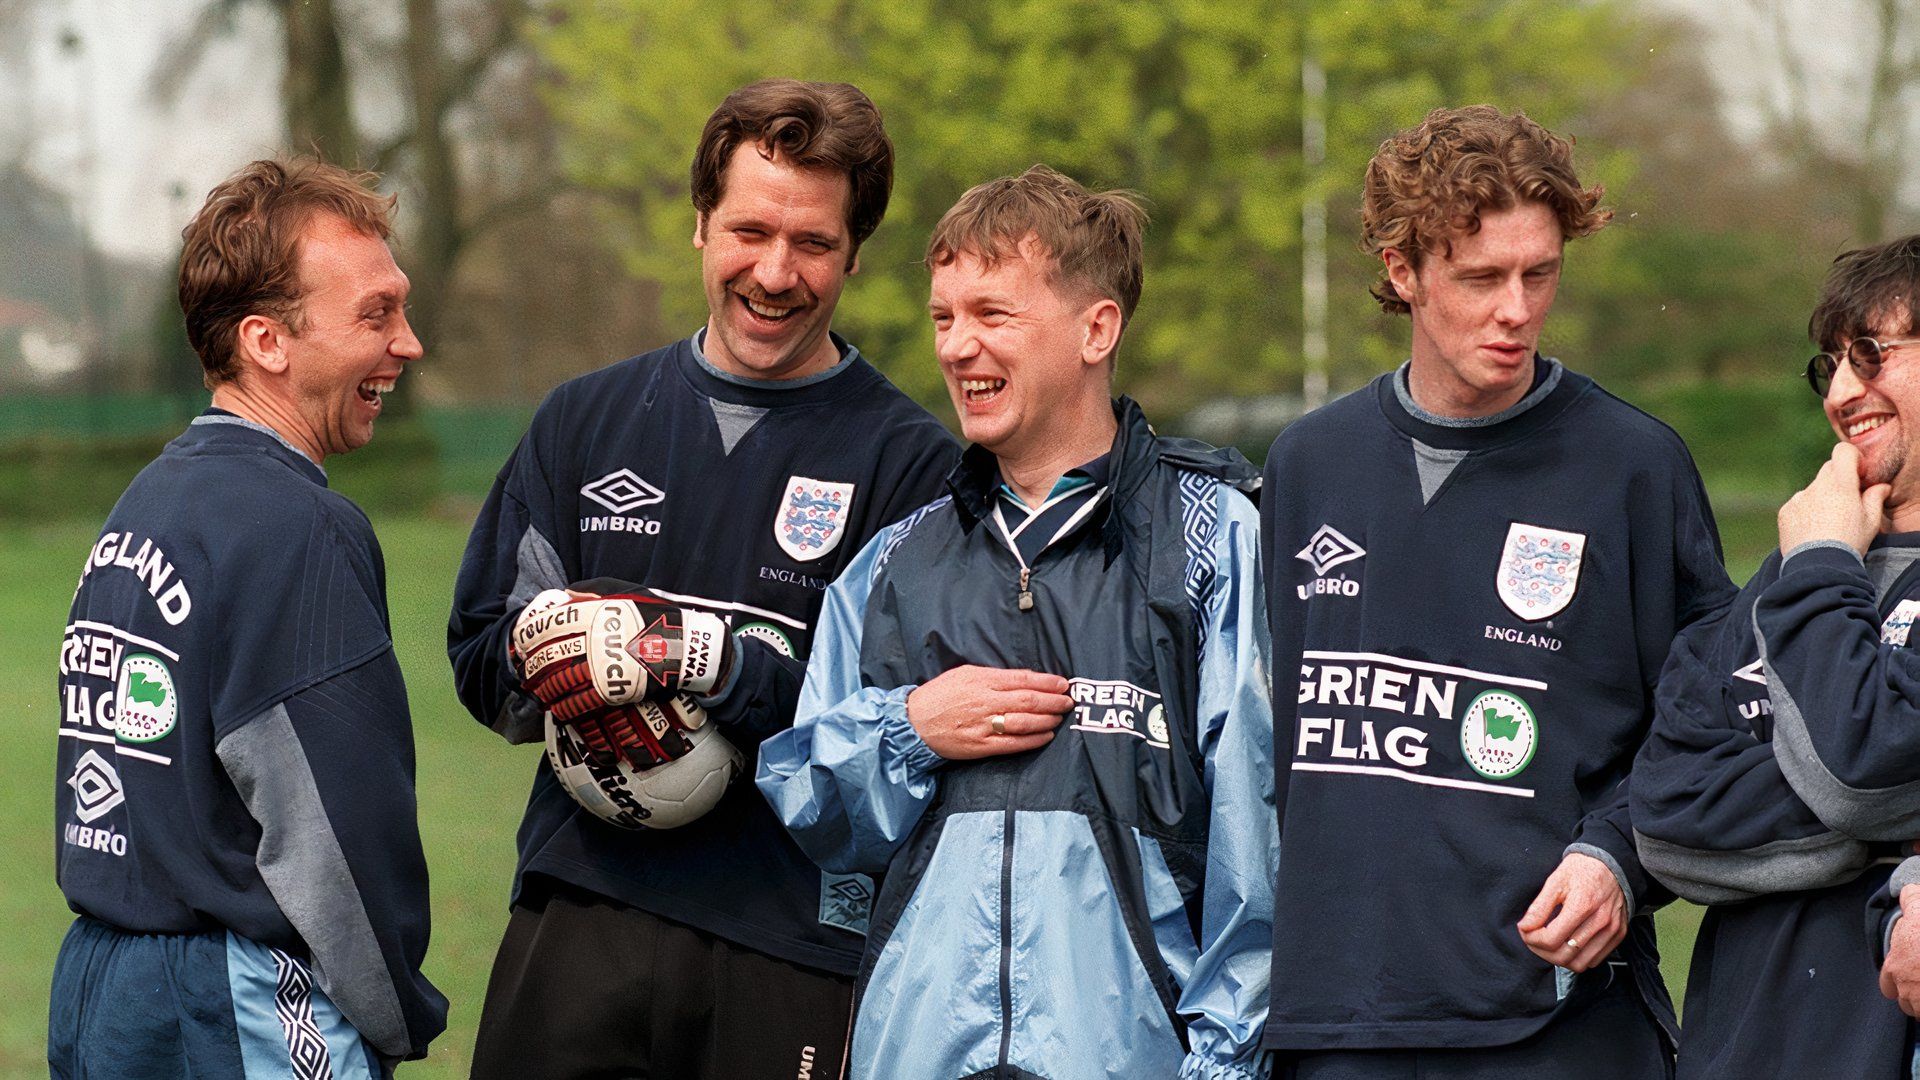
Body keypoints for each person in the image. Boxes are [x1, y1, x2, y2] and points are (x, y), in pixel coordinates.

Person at [447, 79, 957, 1079]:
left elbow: (905, 730)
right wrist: (549, 658)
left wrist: (716, 664)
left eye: (812, 242)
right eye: (750, 230)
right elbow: (480, 660)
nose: (776, 271)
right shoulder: (584, 422)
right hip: (580, 909)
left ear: (854, 253)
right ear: (700, 226)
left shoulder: (913, 467)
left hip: (790, 943)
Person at [757, 164, 1275, 1080]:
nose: (957, 347)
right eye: (944, 318)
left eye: (992, 315)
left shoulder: (1212, 541)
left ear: (1096, 328)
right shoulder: (891, 564)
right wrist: (909, 731)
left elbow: (1262, 844)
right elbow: (813, 806)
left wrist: (1228, 1064)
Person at [1259, 106, 1735, 1079]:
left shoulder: (1633, 469)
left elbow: (1718, 717)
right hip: (1331, 1021)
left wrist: (1619, 858)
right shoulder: (1308, 465)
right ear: (1403, 273)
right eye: (1482, 279)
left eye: (1540, 272)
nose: (1517, 308)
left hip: (1556, 1023)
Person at [47, 158, 445, 1078]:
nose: (409, 343)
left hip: (99, 986)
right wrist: (396, 1017)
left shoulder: (146, 502)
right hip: (235, 1000)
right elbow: (340, 834)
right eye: (375, 315)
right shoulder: (300, 527)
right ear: (268, 340)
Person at [1633, 234, 1920, 1078]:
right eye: (1828, 364)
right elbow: (1665, 816)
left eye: (1870, 355)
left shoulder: (1811, 564)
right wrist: (1880, 831)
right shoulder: (1784, 574)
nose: (1841, 393)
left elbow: (1859, 769)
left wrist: (1826, 565)